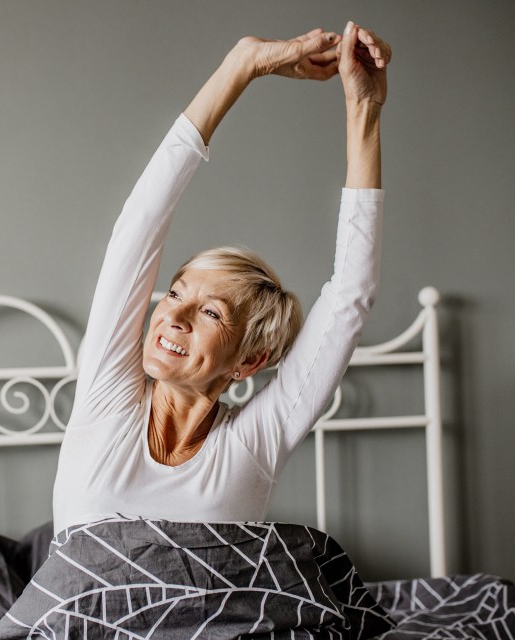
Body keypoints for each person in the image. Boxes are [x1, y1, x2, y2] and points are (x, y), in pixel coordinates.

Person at [52, 21, 391, 534]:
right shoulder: (107, 396)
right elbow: (137, 229)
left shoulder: (253, 444)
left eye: (211, 312)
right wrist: (241, 66)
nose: (174, 315)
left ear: (249, 361)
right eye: (176, 292)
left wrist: (363, 110)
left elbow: (350, 298)